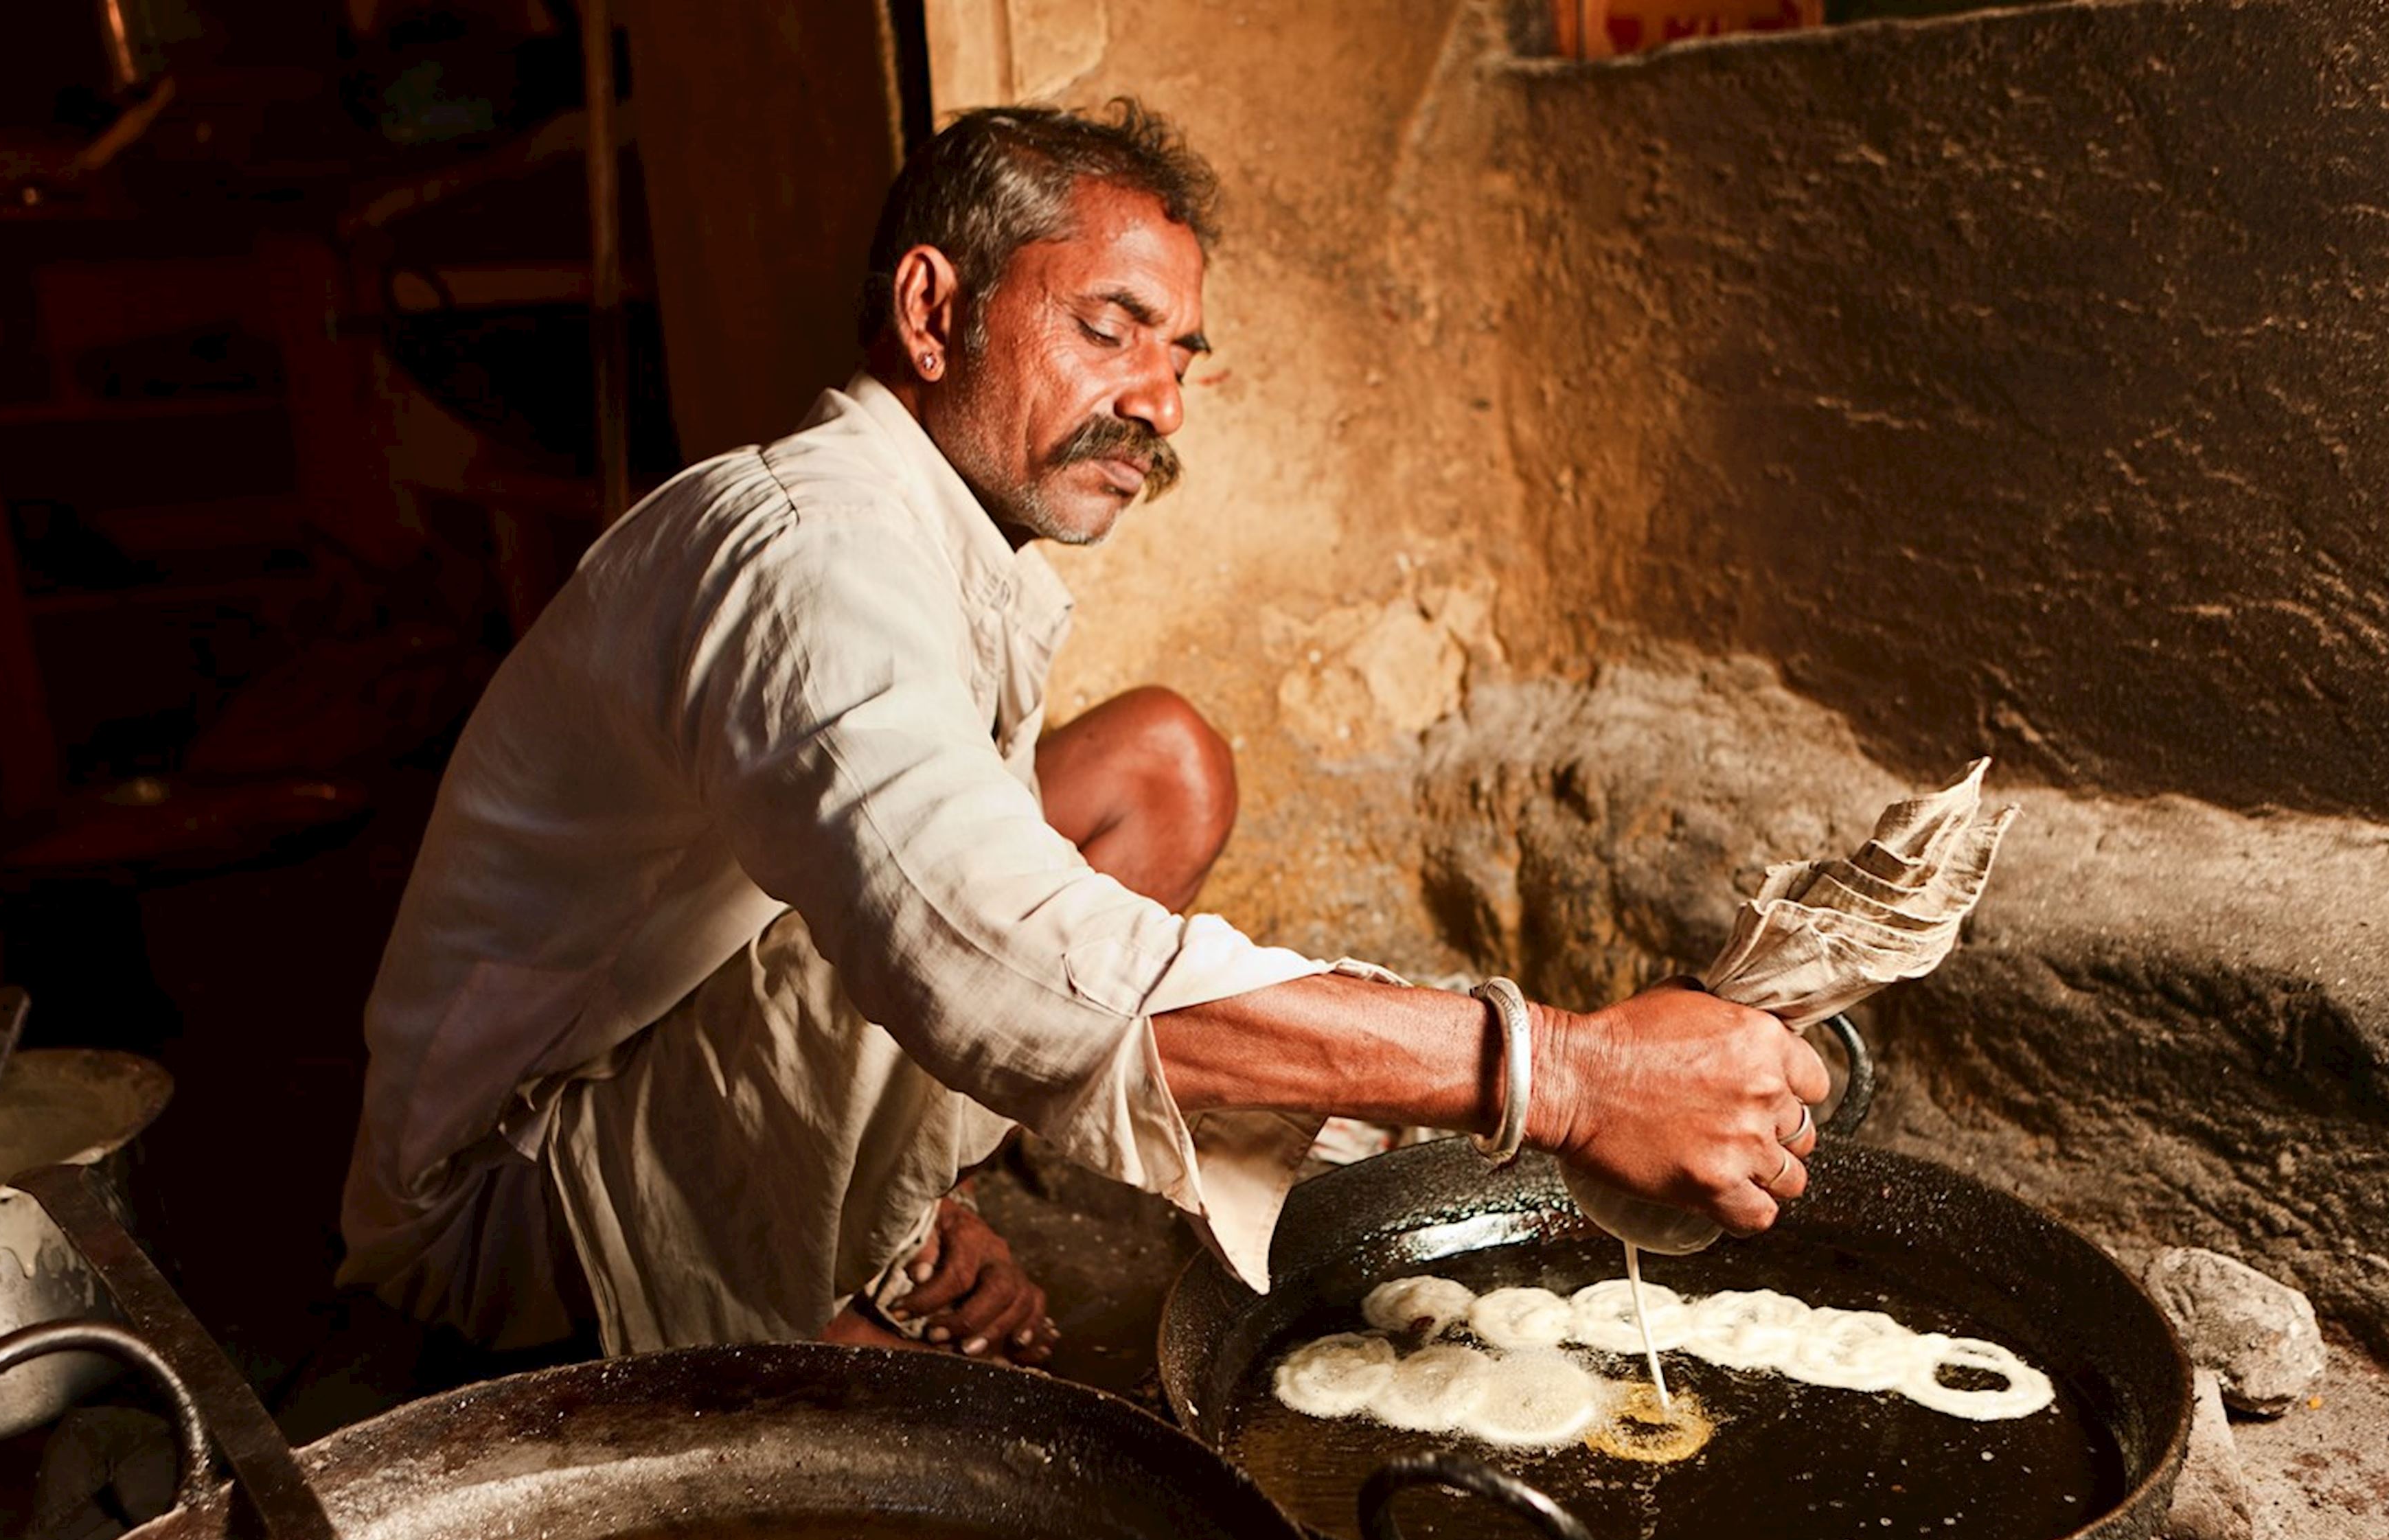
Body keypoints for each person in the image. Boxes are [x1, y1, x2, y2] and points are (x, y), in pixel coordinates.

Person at [336, 101, 1827, 1370]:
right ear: (934, 312)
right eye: (1105, 329)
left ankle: (883, 1236)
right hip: (514, 1203)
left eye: (1178, 351)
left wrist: (908, 1195)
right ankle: (783, 1316)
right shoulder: (808, 552)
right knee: (965, 930)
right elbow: (978, 949)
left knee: (1158, 765)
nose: (1156, 401)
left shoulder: (931, 532)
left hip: (660, 1043)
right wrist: (1556, 1073)